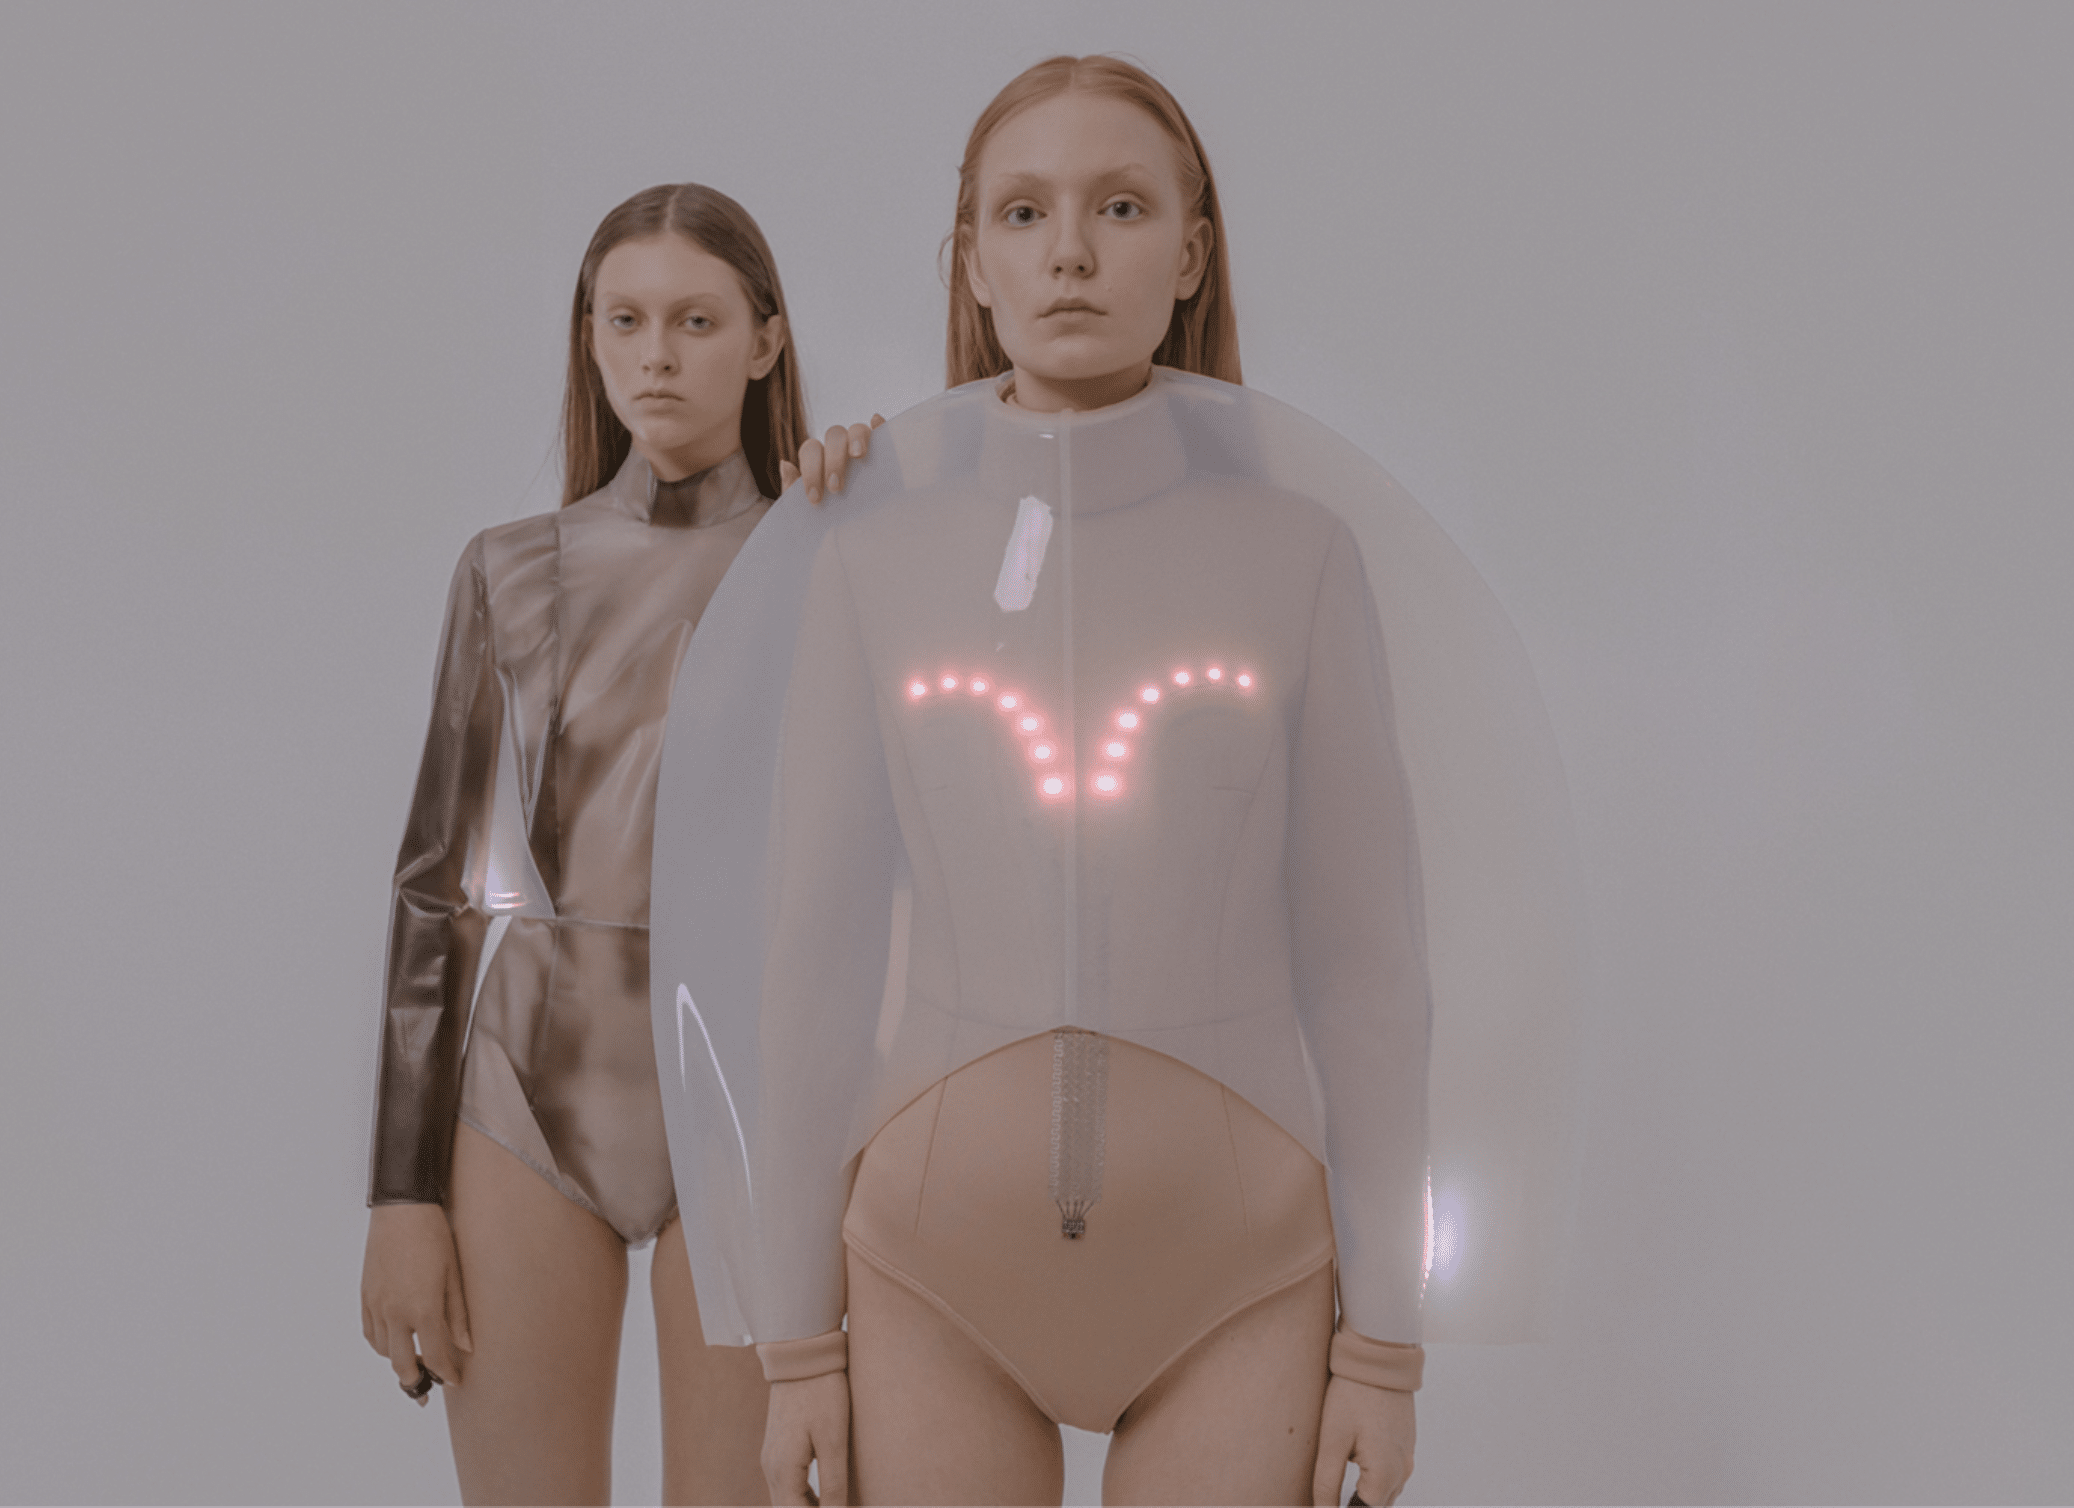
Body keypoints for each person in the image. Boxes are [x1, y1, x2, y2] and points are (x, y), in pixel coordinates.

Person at [652, 57, 1575, 1508]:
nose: (1069, 252)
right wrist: (795, 1347)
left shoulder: (1296, 556)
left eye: (1121, 207)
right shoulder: (869, 551)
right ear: (971, 258)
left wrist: (1385, 1349)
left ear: (1192, 252)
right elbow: (808, 967)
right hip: (927, 1271)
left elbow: (1371, 974)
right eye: (1023, 213)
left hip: (1243, 1273)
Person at [359, 182, 822, 1506]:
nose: (656, 355)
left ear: (765, 341)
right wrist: (400, 1196)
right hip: (525, 1090)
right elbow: (435, 887)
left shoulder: (826, 554)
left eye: (695, 320)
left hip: (744, 1103)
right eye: (625, 320)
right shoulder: (508, 568)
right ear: (590, 338)